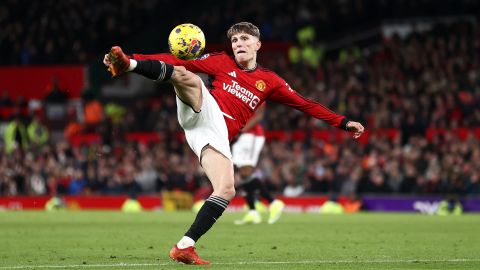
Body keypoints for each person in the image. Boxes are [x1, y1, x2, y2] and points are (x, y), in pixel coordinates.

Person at [104, 22, 365, 265]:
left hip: (211, 135)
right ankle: (126, 66)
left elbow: (305, 103)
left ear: (257, 44)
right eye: (235, 40)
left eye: (244, 39)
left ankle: (185, 246)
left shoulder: (270, 81)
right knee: (186, 75)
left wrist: (342, 122)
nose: (238, 43)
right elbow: (172, 59)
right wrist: (131, 58)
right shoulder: (220, 61)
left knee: (227, 189)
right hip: (205, 110)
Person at [232, 104, 285, 225]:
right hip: (240, 135)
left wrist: (241, 131)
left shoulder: (258, 88)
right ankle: (253, 212)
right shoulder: (236, 88)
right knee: (242, 174)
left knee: (246, 172)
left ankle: (273, 203)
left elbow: (258, 116)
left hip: (251, 134)